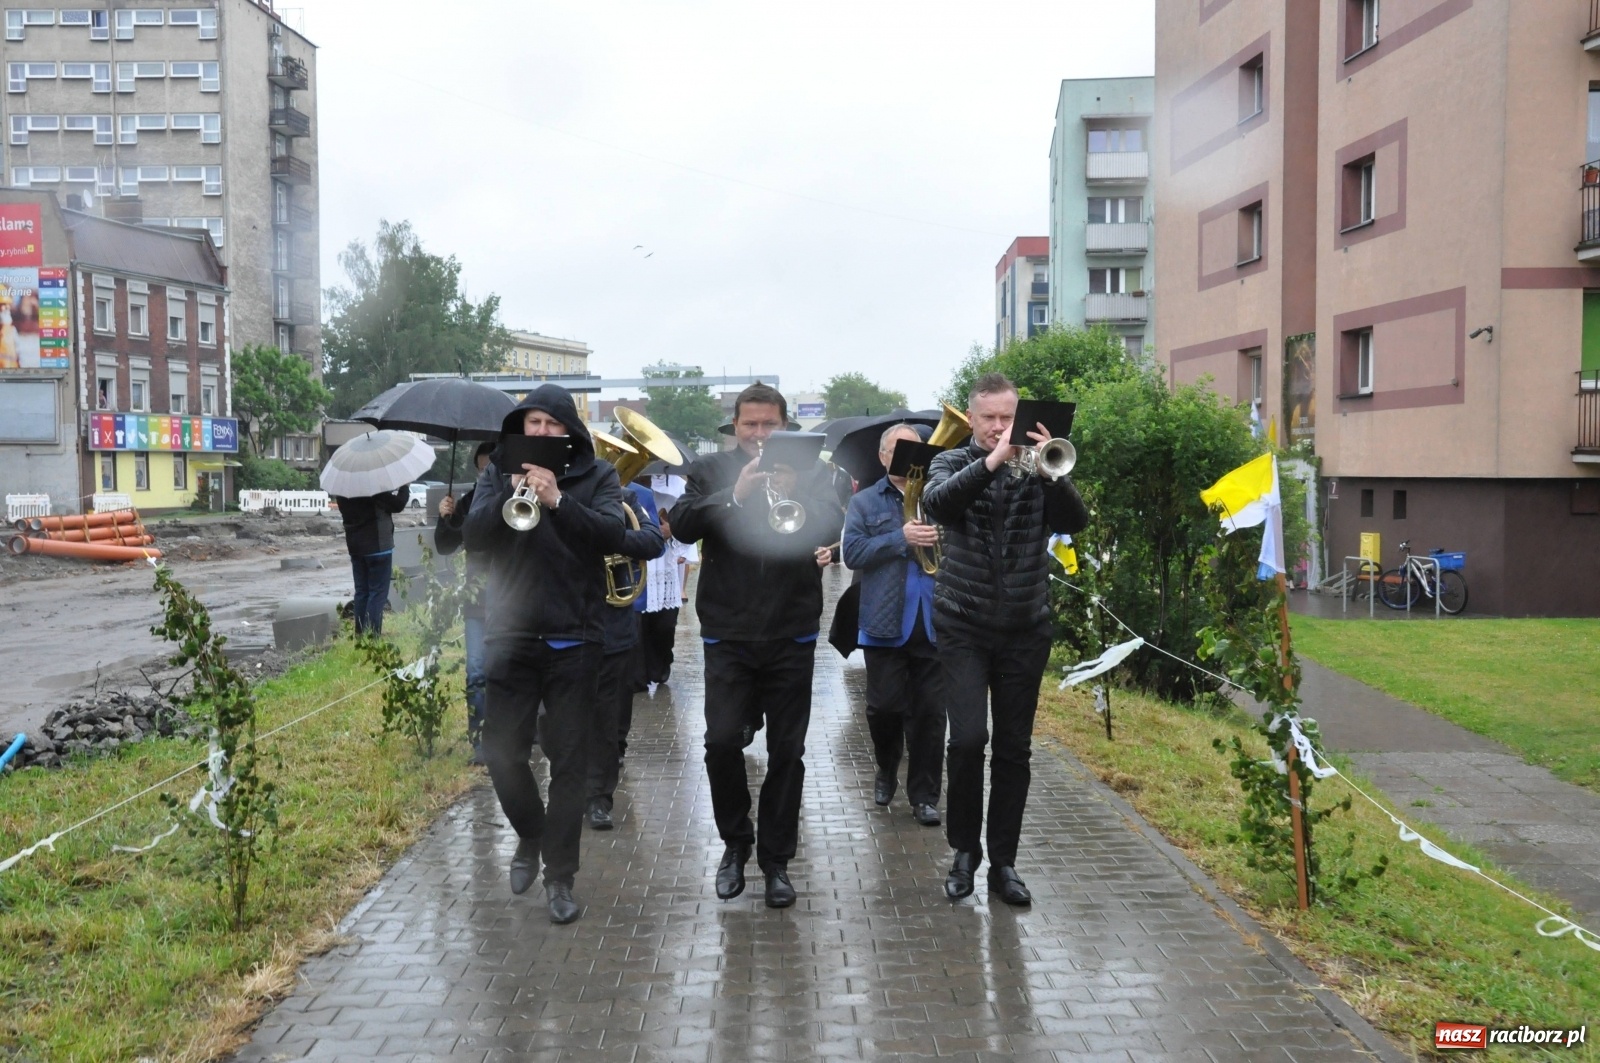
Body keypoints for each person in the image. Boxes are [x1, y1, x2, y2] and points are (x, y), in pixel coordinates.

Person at [669, 382, 845, 908]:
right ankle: (734, 844)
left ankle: (776, 861)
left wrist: (796, 491)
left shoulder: (814, 472)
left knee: (787, 752)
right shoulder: (708, 472)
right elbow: (681, 525)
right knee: (721, 742)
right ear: (736, 426)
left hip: (792, 628)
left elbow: (836, 524)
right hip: (728, 630)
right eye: (751, 425)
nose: (761, 434)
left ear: (785, 425)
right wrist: (738, 494)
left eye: (771, 425)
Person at [920, 373, 1089, 906]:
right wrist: (992, 460)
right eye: (990, 418)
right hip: (963, 624)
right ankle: (964, 851)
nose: (999, 427)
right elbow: (939, 506)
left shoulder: (1038, 468)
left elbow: (1075, 521)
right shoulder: (949, 460)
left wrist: (1049, 474)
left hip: (1024, 628)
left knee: (1014, 751)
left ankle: (1005, 864)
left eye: (1007, 418)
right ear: (973, 419)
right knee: (968, 740)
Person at [462, 384, 627, 925]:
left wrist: (558, 500)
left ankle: (560, 878)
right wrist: (510, 488)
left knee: (570, 763)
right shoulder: (497, 472)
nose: (538, 432)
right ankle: (532, 834)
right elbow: (474, 536)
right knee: (503, 753)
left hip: (574, 636)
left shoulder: (597, 476)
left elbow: (609, 535)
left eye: (548, 424)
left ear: (568, 430)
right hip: (510, 633)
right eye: (530, 423)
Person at [841, 423, 945, 827]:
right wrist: (901, 539)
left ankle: (924, 796)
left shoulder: (938, 497)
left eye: (914, 449)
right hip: (885, 622)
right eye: (896, 450)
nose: (904, 456)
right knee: (883, 709)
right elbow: (851, 553)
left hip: (935, 621)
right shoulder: (866, 502)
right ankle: (886, 767)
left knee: (931, 715)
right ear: (883, 457)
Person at [586, 484, 664, 830]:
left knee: (608, 716)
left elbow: (652, 542)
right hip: (563, 617)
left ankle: (599, 797)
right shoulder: (556, 493)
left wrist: (608, 534)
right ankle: (573, 789)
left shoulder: (627, 499)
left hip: (612, 621)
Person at [434, 441, 496, 764]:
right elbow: (446, 546)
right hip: (476, 599)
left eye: (492, 468)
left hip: (511, 598)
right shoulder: (469, 500)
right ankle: (479, 743)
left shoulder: (514, 497)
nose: (487, 473)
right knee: (475, 671)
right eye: (482, 468)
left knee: (510, 671)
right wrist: (445, 518)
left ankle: (522, 734)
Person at [333, 483, 410, 636]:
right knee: (377, 594)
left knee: (362, 592)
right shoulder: (373, 487)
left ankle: (361, 635)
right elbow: (398, 505)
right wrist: (405, 487)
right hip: (378, 546)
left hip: (355, 547)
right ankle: (373, 637)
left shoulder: (342, 490)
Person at [638, 508, 696, 689]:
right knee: (638, 625)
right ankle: (639, 674)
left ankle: (660, 666)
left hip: (664, 565)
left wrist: (673, 530)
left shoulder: (677, 489)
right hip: (638, 562)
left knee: (665, 625)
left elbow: (690, 523)